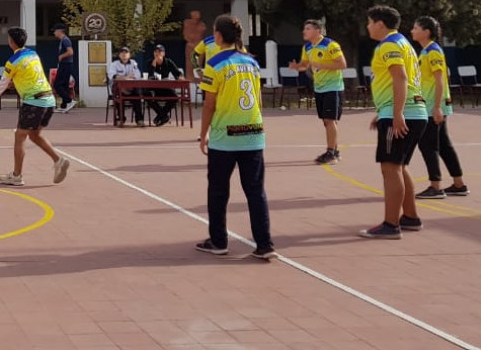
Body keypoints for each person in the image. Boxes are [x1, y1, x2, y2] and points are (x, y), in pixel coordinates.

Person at [195, 14, 274, 259]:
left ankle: (219, 241)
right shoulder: (251, 62)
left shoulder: (216, 63)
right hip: (252, 133)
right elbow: (258, 99)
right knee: (255, 191)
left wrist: (203, 133)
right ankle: (265, 244)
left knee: (218, 191)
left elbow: (209, 104)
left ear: (218, 35)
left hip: (225, 136)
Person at [359, 5, 427, 239]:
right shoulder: (405, 44)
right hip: (415, 111)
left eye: (369, 22)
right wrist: (385, 112)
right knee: (399, 166)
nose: (367, 26)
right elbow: (395, 80)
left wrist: (396, 114)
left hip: (404, 113)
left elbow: (400, 77)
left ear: (380, 23)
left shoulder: (389, 44)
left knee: (390, 168)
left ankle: (391, 224)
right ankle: (410, 217)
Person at [0, 27, 70, 187]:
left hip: (34, 101)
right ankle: (58, 160)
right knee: (34, 134)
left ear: (11, 42)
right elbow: (27, 75)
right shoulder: (33, 54)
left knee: (20, 136)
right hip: (48, 99)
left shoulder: (12, 61)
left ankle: (17, 175)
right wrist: (15, 83)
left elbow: (3, 81)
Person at [412, 17, 467, 199]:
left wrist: (437, 107)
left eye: (416, 28)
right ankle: (458, 184)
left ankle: (435, 186)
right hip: (429, 104)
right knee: (443, 144)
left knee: (428, 145)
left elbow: (440, 80)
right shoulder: (426, 51)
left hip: (432, 106)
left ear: (426, 32)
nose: (412, 31)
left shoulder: (433, 51)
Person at [289, 20, 347, 165]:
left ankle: (331, 153)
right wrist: (297, 67)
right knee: (327, 121)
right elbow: (305, 65)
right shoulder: (307, 47)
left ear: (317, 31)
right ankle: (335, 150)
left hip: (333, 87)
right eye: (304, 28)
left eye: (308, 29)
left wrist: (321, 65)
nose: (304, 31)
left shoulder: (330, 45)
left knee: (329, 120)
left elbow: (342, 64)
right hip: (319, 87)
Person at [146, 45, 184, 126]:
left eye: (159, 52)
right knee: (147, 95)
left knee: (175, 97)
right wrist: (153, 65)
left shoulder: (168, 62)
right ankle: (164, 116)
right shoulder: (150, 62)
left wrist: (180, 76)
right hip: (154, 88)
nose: (157, 54)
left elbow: (177, 73)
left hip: (165, 87)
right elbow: (150, 76)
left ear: (163, 53)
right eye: (155, 52)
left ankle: (161, 115)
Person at [107, 46, 144, 125]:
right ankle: (121, 118)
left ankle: (139, 119)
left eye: (126, 52)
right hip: (118, 88)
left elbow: (137, 75)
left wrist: (121, 77)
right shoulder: (114, 64)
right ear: (119, 55)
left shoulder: (133, 63)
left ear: (129, 55)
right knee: (118, 96)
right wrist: (126, 77)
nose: (124, 54)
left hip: (131, 87)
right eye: (122, 53)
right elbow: (112, 76)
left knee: (137, 95)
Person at [52, 23, 77, 112]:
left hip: (65, 65)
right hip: (65, 65)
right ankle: (64, 105)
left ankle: (69, 101)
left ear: (59, 31)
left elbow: (70, 52)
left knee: (57, 85)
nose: (54, 33)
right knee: (64, 85)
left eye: (55, 31)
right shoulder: (63, 40)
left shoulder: (65, 40)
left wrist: (61, 56)